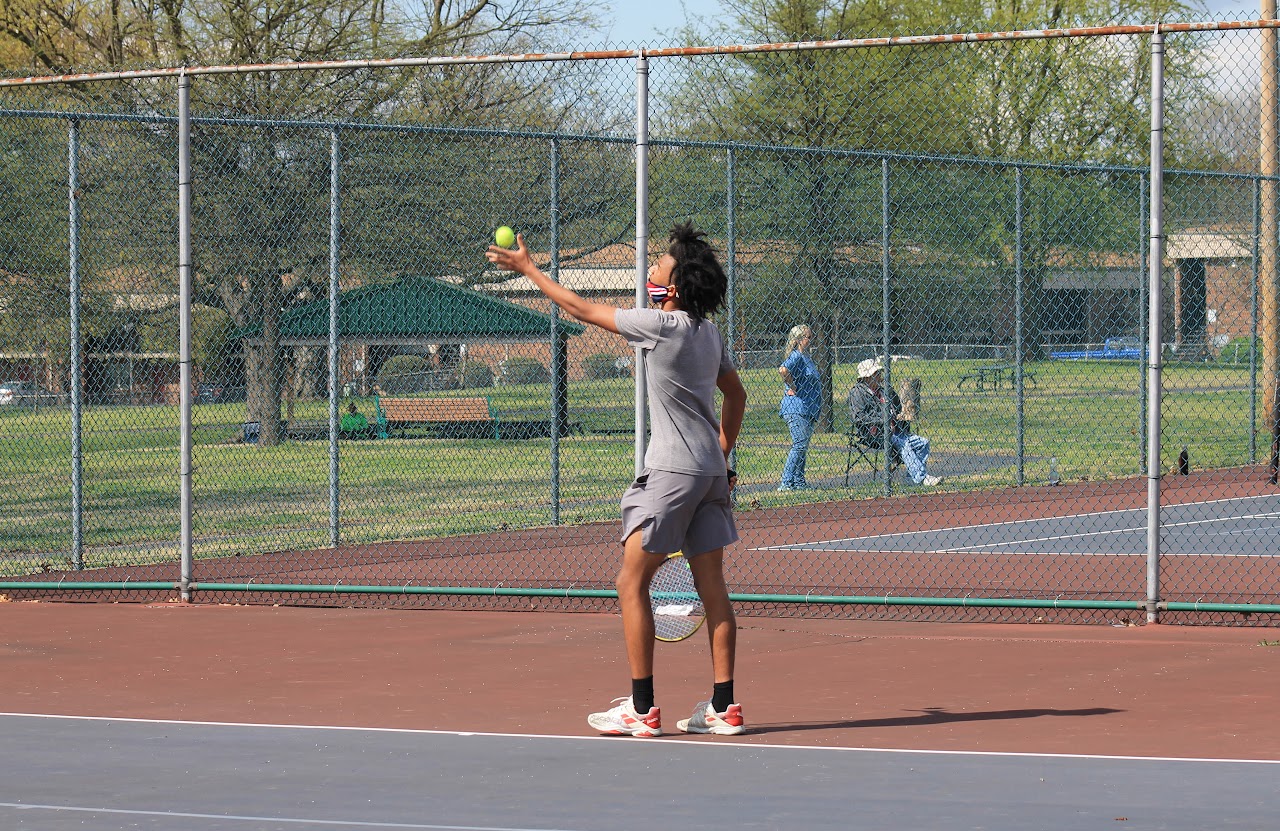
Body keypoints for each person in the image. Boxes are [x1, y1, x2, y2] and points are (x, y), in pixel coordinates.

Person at [487, 223, 747, 738]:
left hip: (671, 473)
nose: (650, 269)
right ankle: (724, 708)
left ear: (672, 287)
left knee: (631, 583)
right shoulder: (709, 333)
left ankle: (642, 709)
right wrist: (719, 453)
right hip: (710, 474)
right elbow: (736, 397)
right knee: (713, 589)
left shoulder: (659, 325)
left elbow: (581, 310)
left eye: (659, 265)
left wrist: (529, 269)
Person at [849, 358, 942, 487]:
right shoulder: (857, 392)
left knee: (922, 443)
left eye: (878, 373)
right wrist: (883, 420)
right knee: (903, 443)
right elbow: (858, 417)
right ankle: (921, 478)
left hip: (895, 431)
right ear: (867, 378)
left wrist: (900, 416)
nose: (879, 376)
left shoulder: (884, 391)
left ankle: (911, 478)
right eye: (875, 374)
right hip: (874, 434)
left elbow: (896, 408)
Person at [777, 324, 820, 491]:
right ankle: (786, 483)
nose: (810, 340)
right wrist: (791, 385)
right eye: (808, 337)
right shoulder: (796, 355)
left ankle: (799, 482)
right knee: (799, 444)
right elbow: (783, 369)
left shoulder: (806, 357)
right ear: (799, 340)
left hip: (808, 408)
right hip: (797, 408)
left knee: (803, 446)